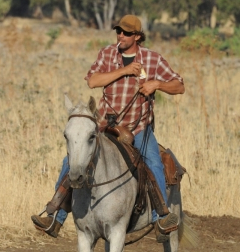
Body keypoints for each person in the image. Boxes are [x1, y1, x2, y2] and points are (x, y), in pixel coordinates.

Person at [32, 14, 185, 239]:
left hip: (138, 126)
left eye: (126, 33)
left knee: (153, 161)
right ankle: (55, 216)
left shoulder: (153, 59)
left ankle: (161, 217)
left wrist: (157, 84)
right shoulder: (107, 54)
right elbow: (93, 81)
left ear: (138, 36)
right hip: (105, 126)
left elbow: (179, 86)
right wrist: (125, 71)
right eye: (118, 32)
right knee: (72, 160)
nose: (120, 36)